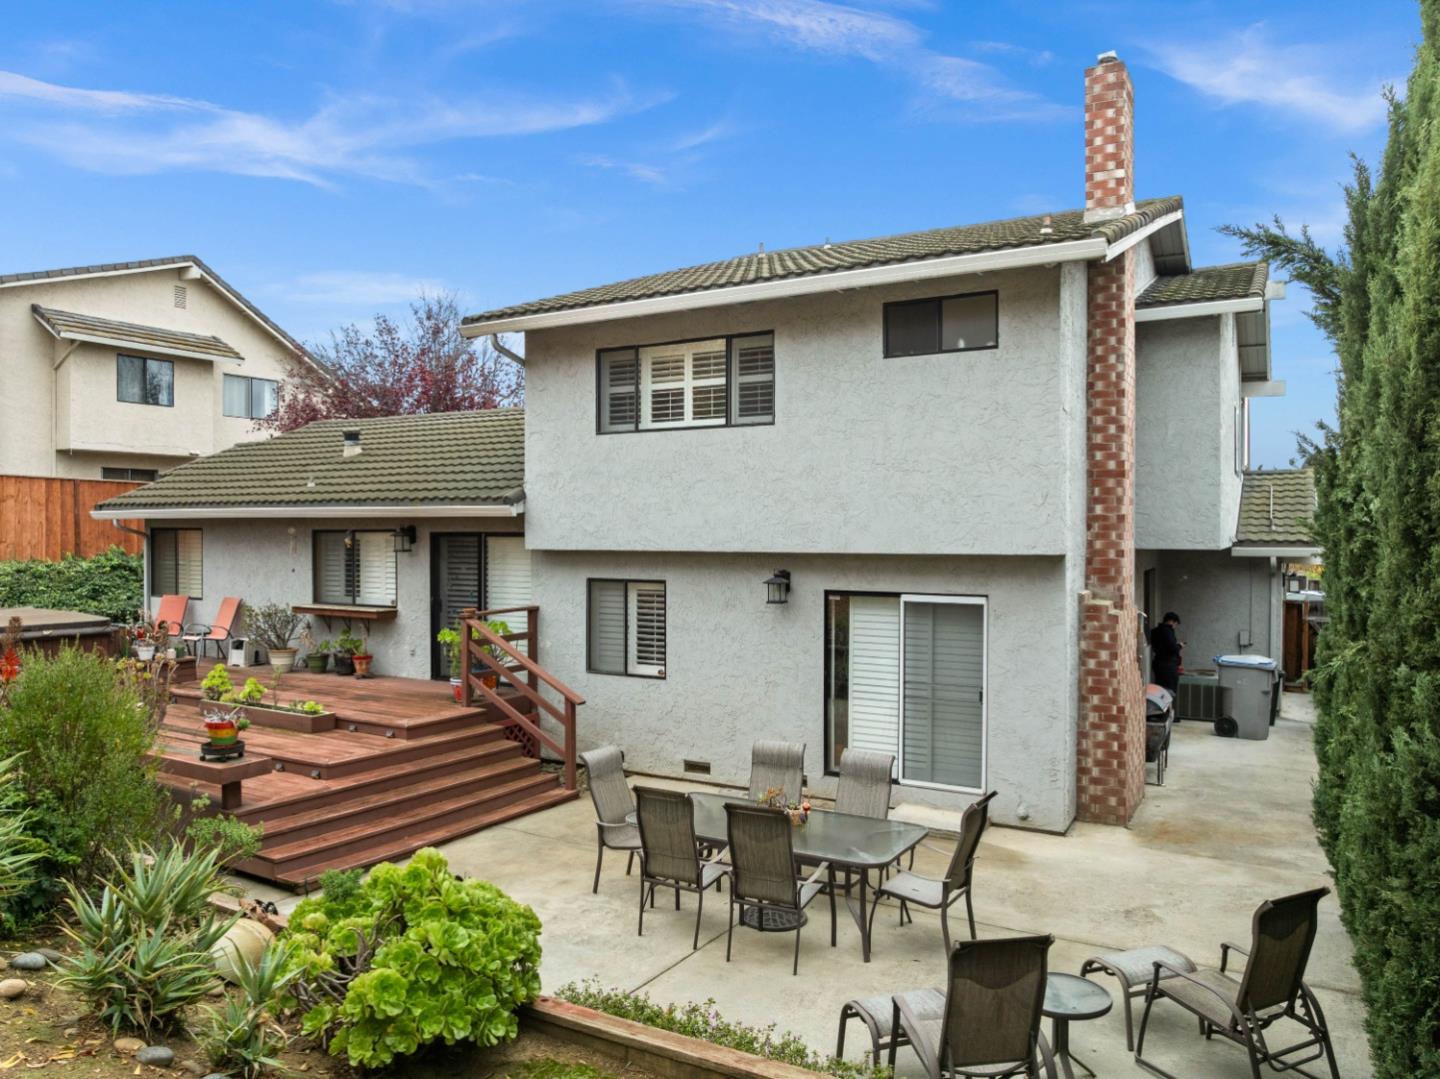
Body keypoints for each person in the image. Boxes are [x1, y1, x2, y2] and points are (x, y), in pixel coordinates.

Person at [1150, 611, 1183, 694]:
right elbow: (1173, 648)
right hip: (1168, 665)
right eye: (1176, 624)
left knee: (1160, 690)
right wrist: (1180, 646)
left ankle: (1162, 706)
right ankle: (1167, 707)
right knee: (1169, 691)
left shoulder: (1155, 631)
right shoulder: (1168, 631)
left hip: (1158, 663)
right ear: (1172, 621)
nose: (1175, 627)